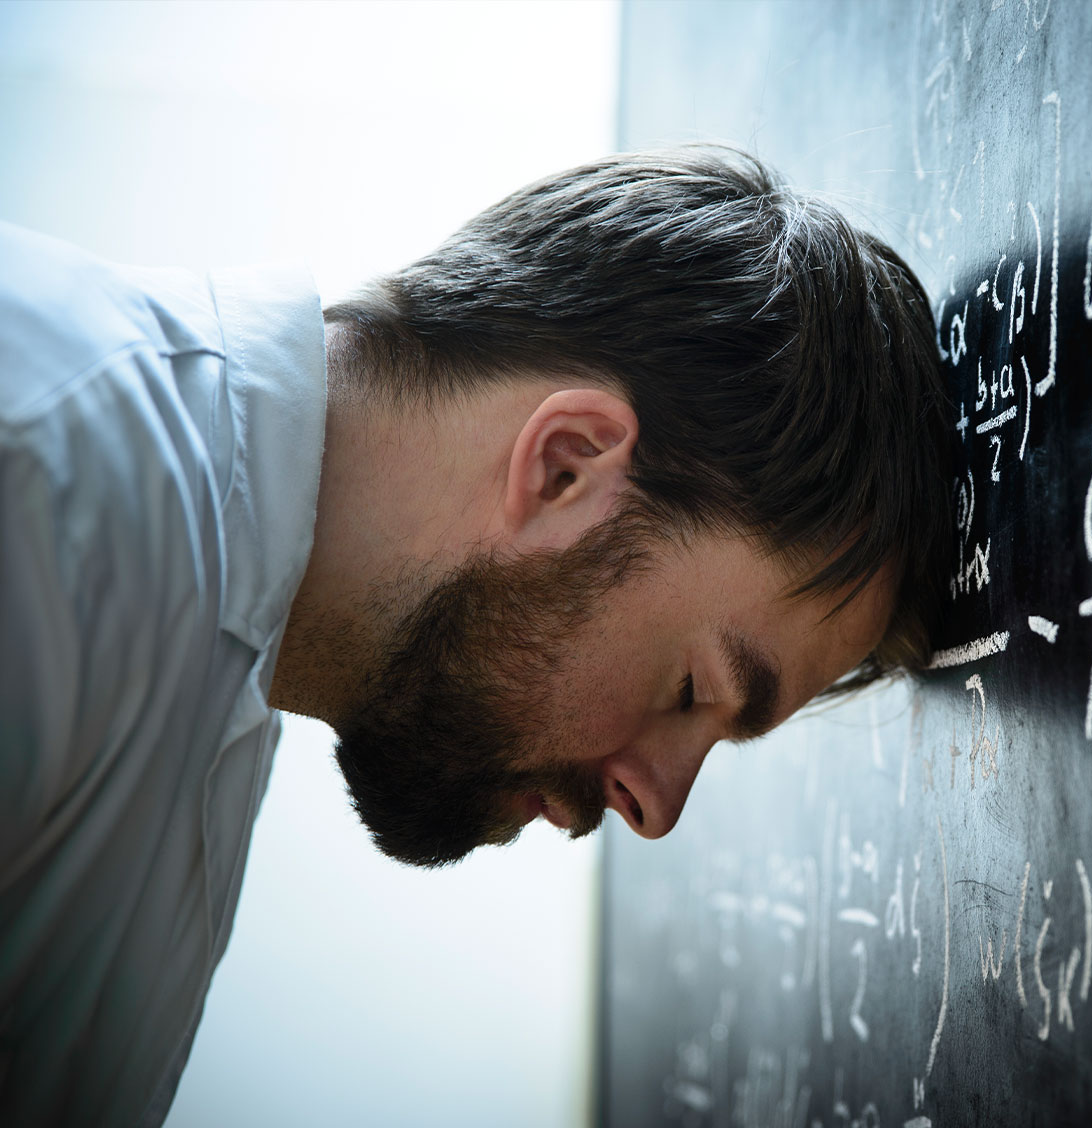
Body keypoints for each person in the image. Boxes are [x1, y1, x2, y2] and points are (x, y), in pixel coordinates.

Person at [0, 146, 950, 1127]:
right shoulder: (45, 481)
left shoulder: (198, 646)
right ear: (565, 469)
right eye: (691, 691)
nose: (655, 810)